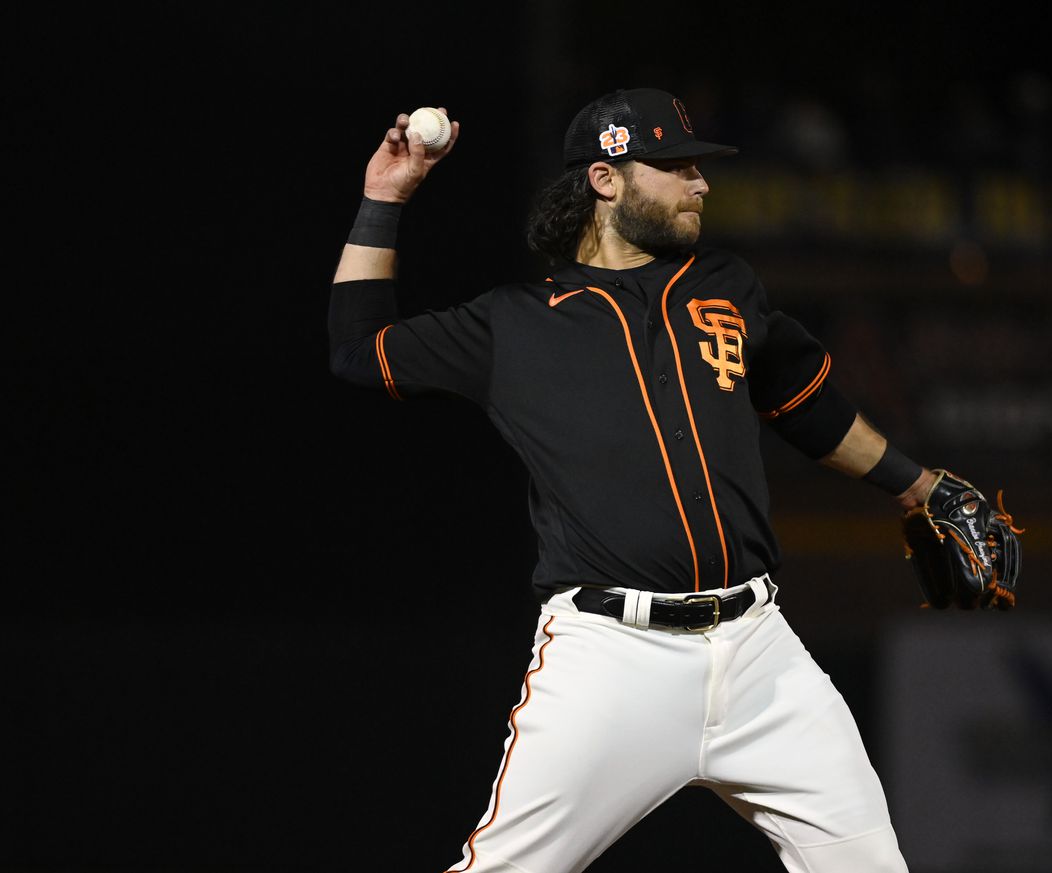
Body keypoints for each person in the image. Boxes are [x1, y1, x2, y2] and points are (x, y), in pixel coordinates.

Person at [328, 88, 938, 873]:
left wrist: (919, 485)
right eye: (676, 165)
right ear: (606, 179)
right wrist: (385, 198)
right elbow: (360, 349)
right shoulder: (513, 324)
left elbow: (805, 404)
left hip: (762, 652)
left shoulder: (726, 284)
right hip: (611, 657)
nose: (701, 183)